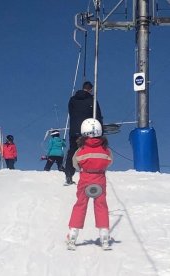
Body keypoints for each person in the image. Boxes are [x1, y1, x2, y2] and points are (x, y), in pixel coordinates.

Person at [66, 118, 113, 250]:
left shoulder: (80, 150)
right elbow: (110, 161)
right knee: (101, 206)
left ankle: (73, 234)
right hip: (100, 179)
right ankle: (104, 235)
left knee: (80, 205)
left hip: (85, 179)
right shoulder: (105, 150)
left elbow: (75, 164)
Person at [64, 81, 103, 185]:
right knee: (88, 151)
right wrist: (100, 130)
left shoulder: (72, 99)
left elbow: (70, 112)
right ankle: (88, 175)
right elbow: (97, 116)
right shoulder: (92, 100)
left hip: (74, 129)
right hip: (87, 129)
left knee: (72, 151)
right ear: (90, 89)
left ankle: (68, 174)